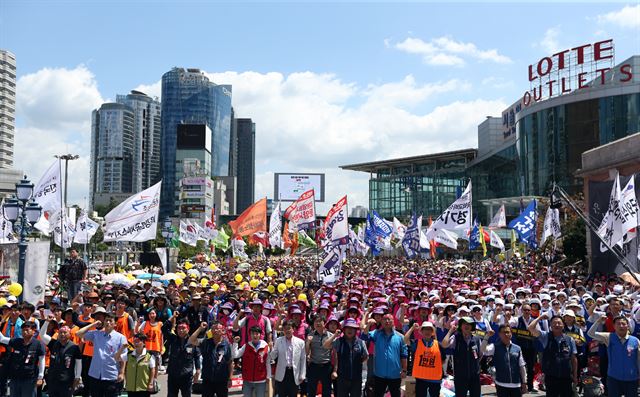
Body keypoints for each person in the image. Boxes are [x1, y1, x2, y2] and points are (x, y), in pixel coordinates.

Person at [76, 309, 128, 397]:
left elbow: (123, 358)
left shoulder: (120, 338)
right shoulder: (96, 334)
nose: (108, 322)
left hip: (111, 375)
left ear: (115, 324)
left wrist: (121, 373)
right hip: (95, 375)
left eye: (110, 321)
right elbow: (78, 333)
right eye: (106, 320)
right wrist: (93, 324)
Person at [588, 314, 640, 396]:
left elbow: (638, 360)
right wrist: (598, 321)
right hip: (614, 379)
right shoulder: (609, 337)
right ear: (614, 326)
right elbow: (590, 333)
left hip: (632, 379)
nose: (621, 326)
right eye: (618, 324)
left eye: (623, 324)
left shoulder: (635, 341)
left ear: (628, 326)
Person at [528, 314, 578, 397]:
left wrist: (575, 376)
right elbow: (530, 328)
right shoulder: (545, 336)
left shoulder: (570, 339)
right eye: (554, 323)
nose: (557, 325)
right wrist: (540, 318)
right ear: (550, 325)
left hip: (566, 376)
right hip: (551, 376)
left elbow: (573, 359)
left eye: (559, 323)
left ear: (563, 325)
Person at [360, 313, 408, 397]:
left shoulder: (400, 337)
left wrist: (404, 370)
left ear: (393, 322)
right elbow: (364, 336)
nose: (387, 321)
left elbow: (404, 355)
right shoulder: (376, 333)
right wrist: (368, 324)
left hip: (395, 374)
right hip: (379, 374)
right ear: (381, 322)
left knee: (396, 395)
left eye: (389, 319)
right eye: (385, 319)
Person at [323, 318, 368, 397]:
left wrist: (357, 363)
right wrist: (334, 335)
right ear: (344, 329)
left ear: (355, 330)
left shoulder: (361, 342)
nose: (350, 330)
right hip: (342, 378)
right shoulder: (339, 341)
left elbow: (365, 356)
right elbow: (326, 345)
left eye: (352, 328)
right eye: (348, 328)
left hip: (356, 378)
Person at [39, 316, 82, 397]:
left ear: (69, 334)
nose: (62, 334)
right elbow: (42, 335)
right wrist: (47, 322)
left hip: (67, 381)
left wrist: (77, 377)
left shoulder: (74, 347)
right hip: (53, 380)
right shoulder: (53, 343)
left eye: (65, 333)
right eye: (60, 332)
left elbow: (78, 363)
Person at [0, 321, 45, 397]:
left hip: (29, 379)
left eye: (27, 330)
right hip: (15, 378)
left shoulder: (38, 344)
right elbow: (2, 339)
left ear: (34, 331)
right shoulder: (17, 341)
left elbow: (42, 360)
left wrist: (40, 376)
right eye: (23, 330)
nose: (24, 332)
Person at [188, 321, 232, 397]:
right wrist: (200, 328)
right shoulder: (206, 342)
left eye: (217, 328)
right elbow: (191, 340)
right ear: (210, 331)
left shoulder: (226, 344)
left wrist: (230, 378)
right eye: (213, 329)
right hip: (207, 380)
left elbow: (230, 362)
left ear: (222, 331)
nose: (215, 330)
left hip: (222, 380)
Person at [441, 317, 483, 397]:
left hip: (474, 376)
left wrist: (475, 365)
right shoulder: (456, 337)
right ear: (460, 326)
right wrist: (450, 331)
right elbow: (444, 344)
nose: (466, 326)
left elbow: (480, 355)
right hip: (460, 376)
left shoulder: (476, 338)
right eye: (464, 324)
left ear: (472, 326)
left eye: (468, 324)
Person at [482, 325, 527, 397]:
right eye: (503, 332)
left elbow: (522, 366)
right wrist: (487, 336)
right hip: (501, 384)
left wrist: (524, 382)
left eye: (507, 332)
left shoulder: (517, 348)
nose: (506, 334)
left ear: (511, 334)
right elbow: (483, 351)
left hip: (516, 385)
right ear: (499, 334)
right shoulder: (494, 346)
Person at [162, 314, 200, 397]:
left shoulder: (192, 341)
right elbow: (163, 329)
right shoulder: (173, 339)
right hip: (173, 374)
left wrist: (197, 370)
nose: (181, 330)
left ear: (188, 329)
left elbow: (197, 356)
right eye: (179, 328)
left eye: (183, 328)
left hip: (187, 375)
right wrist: (173, 317)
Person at [404, 321, 443, 397]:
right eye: (425, 329)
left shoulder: (438, 344)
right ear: (421, 331)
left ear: (432, 332)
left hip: (435, 379)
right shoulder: (417, 343)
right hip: (421, 378)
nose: (427, 331)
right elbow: (405, 339)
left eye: (429, 329)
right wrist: (412, 328)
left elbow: (443, 360)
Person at [231, 326, 271, 397]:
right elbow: (235, 355)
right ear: (250, 335)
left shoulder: (266, 347)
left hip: (261, 380)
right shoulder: (246, 346)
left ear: (260, 335)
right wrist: (235, 343)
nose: (255, 336)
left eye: (257, 333)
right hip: (247, 380)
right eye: (253, 334)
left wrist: (268, 376)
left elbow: (268, 362)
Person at [270, 320, 306, 397]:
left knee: (293, 394)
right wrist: (271, 348)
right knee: (281, 394)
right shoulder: (278, 341)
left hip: (294, 373)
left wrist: (302, 374)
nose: (287, 330)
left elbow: (303, 359)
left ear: (293, 329)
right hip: (282, 373)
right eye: (285, 328)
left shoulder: (300, 342)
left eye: (289, 328)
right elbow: (273, 356)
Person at [306, 314, 333, 397]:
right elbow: (306, 352)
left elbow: (334, 352)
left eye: (319, 321)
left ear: (324, 323)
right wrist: (308, 342)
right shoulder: (310, 335)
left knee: (327, 390)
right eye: (315, 322)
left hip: (326, 366)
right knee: (311, 390)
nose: (317, 323)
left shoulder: (330, 336)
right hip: (314, 365)